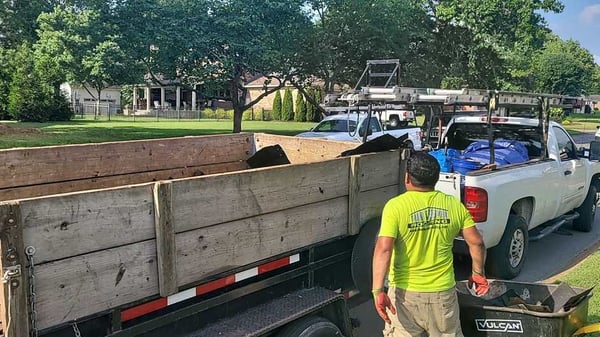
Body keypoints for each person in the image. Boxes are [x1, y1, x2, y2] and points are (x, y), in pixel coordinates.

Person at [372, 151, 488, 337]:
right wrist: (477, 273)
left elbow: (384, 248)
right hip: (442, 295)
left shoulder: (395, 207)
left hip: (405, 295)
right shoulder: (454, 205)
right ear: (436, 179)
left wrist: (378, 290)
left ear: (407, 177)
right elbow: (477, 242)